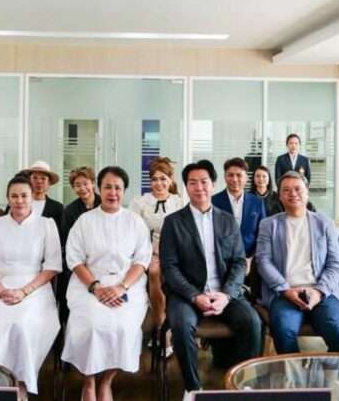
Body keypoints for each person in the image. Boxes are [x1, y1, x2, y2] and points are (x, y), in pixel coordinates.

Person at [160, 159, 262, 399]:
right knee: (181, 325)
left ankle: (241, 384)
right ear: (186, 187)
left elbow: (239, 262)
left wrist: (226, 295)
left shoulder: (227, 220)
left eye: (204, 182)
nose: (199, 187)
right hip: (187, 295)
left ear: (213, 184)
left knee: (252, 322)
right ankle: (193, 388)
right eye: (192, 183)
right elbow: (169, 267)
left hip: (223, 292)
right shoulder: (173, 222)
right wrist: (195, 296)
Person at [62, 166, 152, 401]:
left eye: (118, 188)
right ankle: (89, 381)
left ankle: (106, 381)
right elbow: (74, 258)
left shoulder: (134, 221)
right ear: (99, 189)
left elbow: (142, 260)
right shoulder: (85, 221)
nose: (113, 193)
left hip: (127, 283)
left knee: (123, 327)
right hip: (89, 283)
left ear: (124, 191)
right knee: (91, 325)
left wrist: (121, 287)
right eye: (107, 187)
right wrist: (96, 287)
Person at [0, 175, 61, 399]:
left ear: (32, 197)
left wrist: (24, 291)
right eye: (14, 196)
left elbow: (52, 266)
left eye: (24, 196)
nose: (19, 201)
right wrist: (0, 291)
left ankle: (21, 385)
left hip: (35, 288)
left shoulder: (46, 224)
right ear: (8, 198)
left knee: (23, 325)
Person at [255, 171, 339, 355]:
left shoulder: (325, 223)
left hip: (322, 292)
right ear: (280, 196)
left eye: (298, 189)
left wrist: (319, 291)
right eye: (286, 190)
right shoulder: (268, 224)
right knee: (284, 332)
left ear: (307, 192)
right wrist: (285, 290)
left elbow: (335, 263)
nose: (293, 194)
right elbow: (263, 261)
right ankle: (296, 374)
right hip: (284, 293)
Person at [129, 157, 186, 334]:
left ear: (170, 180)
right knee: (154, 270)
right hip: (148, 251)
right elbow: (132, 233)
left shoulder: (179, 202)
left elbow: (184, 233)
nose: (158, 183)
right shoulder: (140, 202)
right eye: (154, 179)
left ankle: (177, 322)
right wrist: (152, 250)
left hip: (175, 252)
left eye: (163, 179)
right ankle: (161, 324)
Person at [58, 166, 101, 323]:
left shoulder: (105, 203)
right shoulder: (70, 210)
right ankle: (65, 323)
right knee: (65, 276)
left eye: (85, 183)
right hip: (78, 258)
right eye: (77, 185)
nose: (82, 188)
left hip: (102, 256)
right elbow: (66, 241)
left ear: (93, 183)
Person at [211, 157, 266, 258]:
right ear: (225, 177)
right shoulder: (213, 202)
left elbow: (263, 234)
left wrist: (250, 258)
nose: (234, 179)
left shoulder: (257, 202)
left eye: (239, 175)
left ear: (246, 178)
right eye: (230, 175)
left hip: (249, 260)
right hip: (221, 260)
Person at [18, 160, 63, 231]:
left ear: (49, 183)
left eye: (43, 178)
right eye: (35, 178)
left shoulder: (57, 208)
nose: (39, 181)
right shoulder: (18, 202)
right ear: (29, 180)